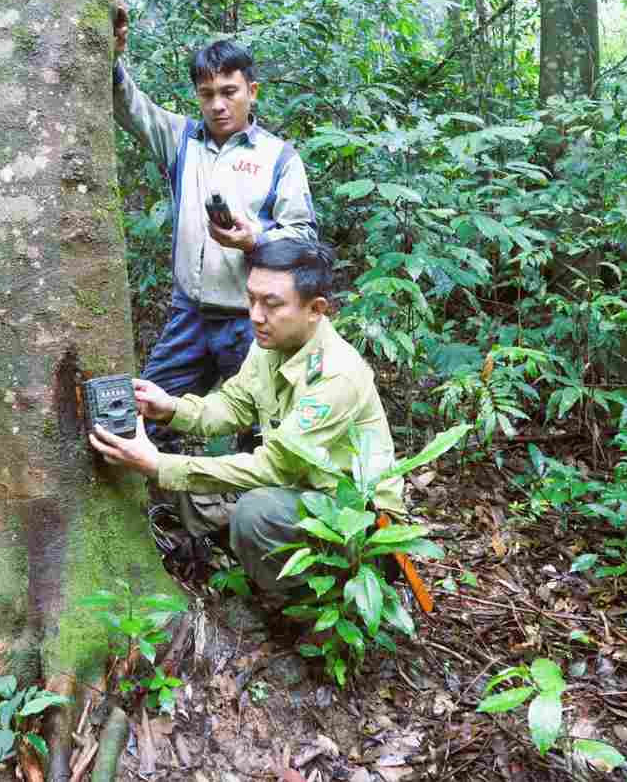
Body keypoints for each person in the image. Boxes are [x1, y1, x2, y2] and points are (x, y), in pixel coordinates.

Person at [89, 239, 403, 604]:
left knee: (254, 512)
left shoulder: (336, 376)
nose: (255, 314)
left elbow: (275, 468)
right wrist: (170, 408)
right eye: (251, 298)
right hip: (301, 494)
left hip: (361, 525)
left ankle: (312, 609)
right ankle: (264, 572)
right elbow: (232, 406)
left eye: (271, 304)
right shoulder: (270, 345)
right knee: (196, 486)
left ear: (315, 309)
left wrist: (160, 465)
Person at [112, 2, 318, 422]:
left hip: (252, 319)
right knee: (149, 414)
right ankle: (166, 487)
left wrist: (255, 240)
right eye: (207, 94)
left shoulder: (279, 156)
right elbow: (131, 108)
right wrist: (112, 53)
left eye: (229, 92)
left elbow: (304, 238)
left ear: (251, 91)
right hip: (189, 312)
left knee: (260, 428)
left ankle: (244, 490)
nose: (218, 105)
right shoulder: (182, 140)